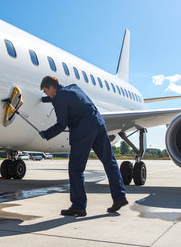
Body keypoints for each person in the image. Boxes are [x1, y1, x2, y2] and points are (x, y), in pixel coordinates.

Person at [39, 76, 128, 217]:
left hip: (83, 130)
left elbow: (61, 124)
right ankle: (120, 197)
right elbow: (70, 100)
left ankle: (78, 206)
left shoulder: (59, 98)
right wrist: (50, 100)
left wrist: (46, 134)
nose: (46, 94)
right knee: (109, 162)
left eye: (45, 91)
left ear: (51, 87)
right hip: (98, 124)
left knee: (76, 168)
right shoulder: (73, 88)